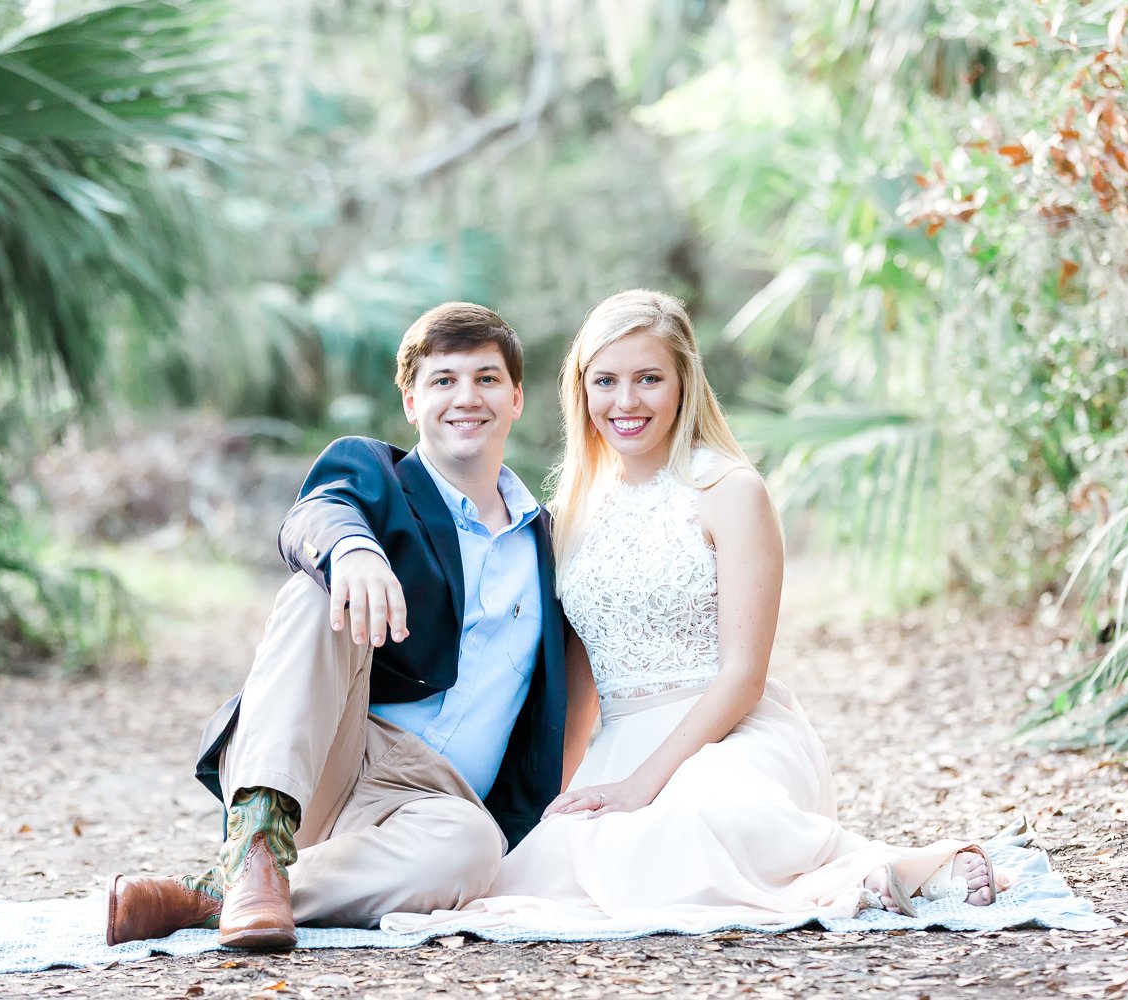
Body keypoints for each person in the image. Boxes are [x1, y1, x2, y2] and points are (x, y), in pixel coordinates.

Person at [384, 289, 1003, 936]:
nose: (626, 403)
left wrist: (642, 786)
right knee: (545, 870)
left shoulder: (730, 491)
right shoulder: (571, 516)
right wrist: (550, 805)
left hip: (730, 735)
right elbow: (580, 689)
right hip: (621, 747)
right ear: (582, 392)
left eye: (649, 379)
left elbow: (744, 677)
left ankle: (903, 869)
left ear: (684, 384)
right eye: (607, 382)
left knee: (694, 823)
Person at [106, 303, 567, 949]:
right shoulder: (376, 477)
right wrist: (352, 550)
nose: (467, 397)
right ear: (411, 402)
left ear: (516, 398)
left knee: (472, 849)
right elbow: (319, 510)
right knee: (315, 593)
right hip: (334, 752)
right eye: (444, 380)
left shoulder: (549, 543)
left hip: (435, 808)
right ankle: (259, 838)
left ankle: (217, 891)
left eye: (487, 379)